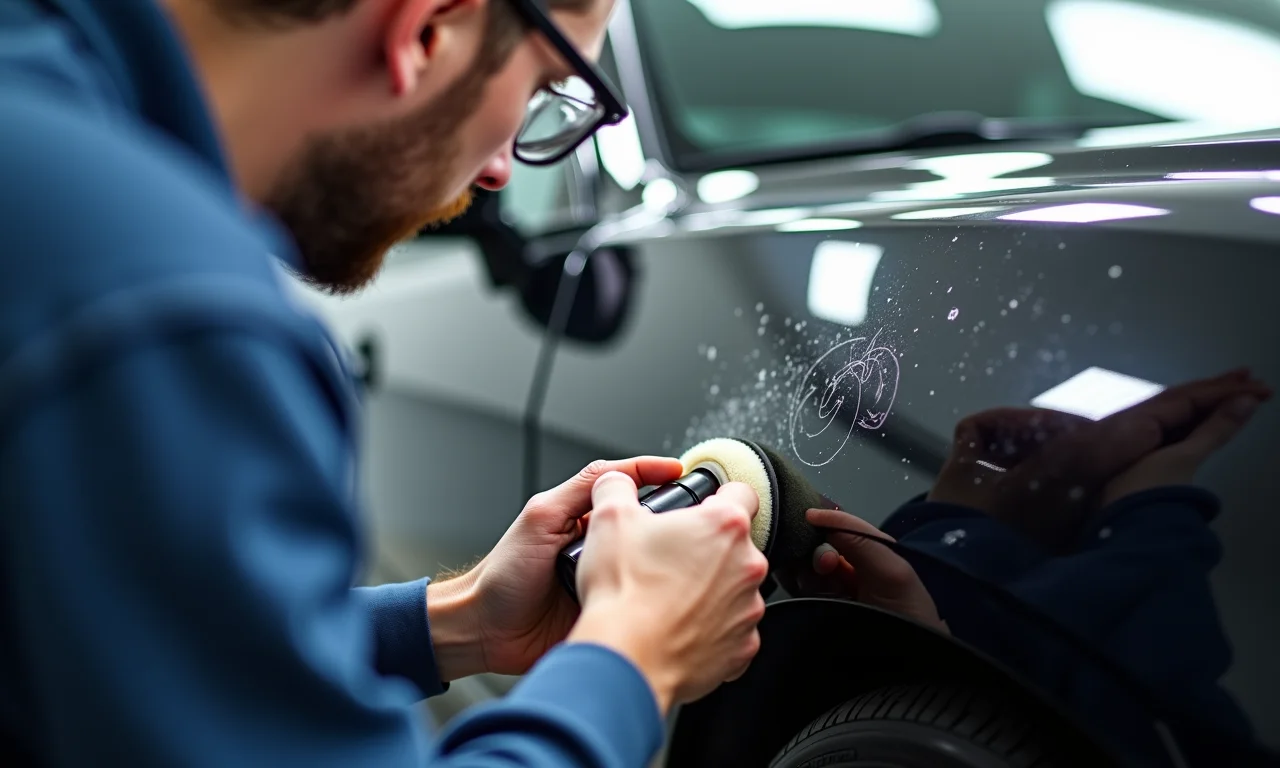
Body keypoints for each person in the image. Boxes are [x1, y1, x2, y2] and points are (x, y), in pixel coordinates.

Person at [0, 0, 770, 766]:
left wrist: (461, 621)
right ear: (428, 28)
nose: (502, 168)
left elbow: (138, 654)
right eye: (543, 90)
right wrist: (633, 657)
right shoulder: (161, 308)